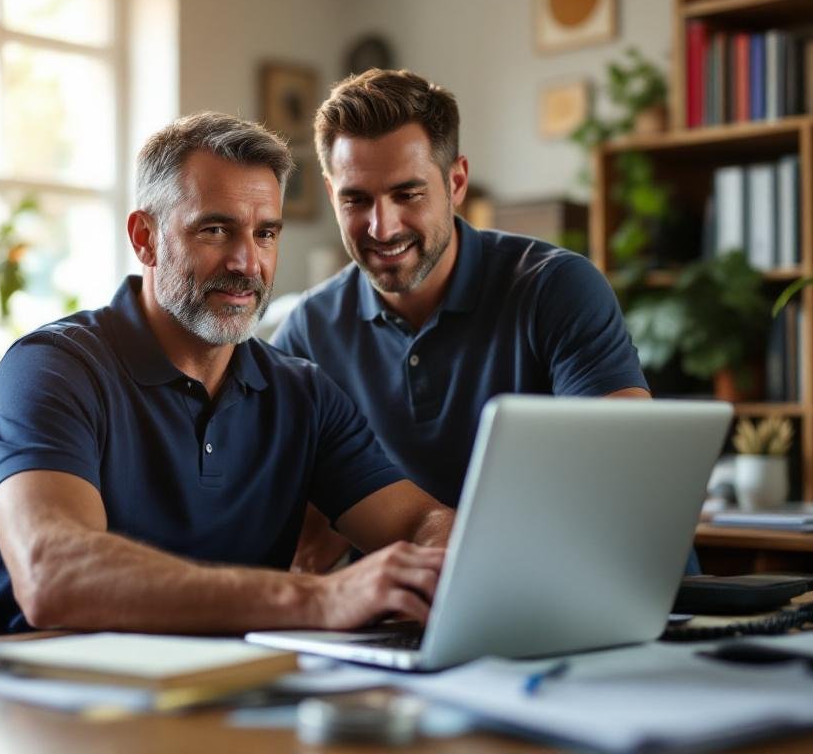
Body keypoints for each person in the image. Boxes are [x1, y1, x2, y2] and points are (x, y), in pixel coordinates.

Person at [0, 112, 455, 637]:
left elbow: (419, 522)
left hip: (225, 697)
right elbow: (55, 575)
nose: (248, 262)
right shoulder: (51, 370)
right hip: (41, 700)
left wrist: (436, 563)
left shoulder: (304, 394)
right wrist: (320, 598)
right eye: (216, 230)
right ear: (145, 238)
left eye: (265, 233)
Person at [271, 70, 651, 573]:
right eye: (356, 199)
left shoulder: (556, 287)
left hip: (601, 585)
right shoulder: (308, 330)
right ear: (329, 192)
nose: (381, 227)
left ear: (456, 181)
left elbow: (629, 479)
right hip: (418, 612)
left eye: (407, 194)